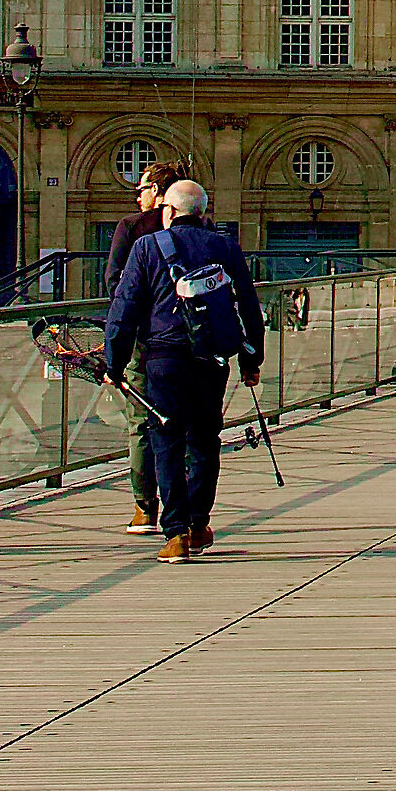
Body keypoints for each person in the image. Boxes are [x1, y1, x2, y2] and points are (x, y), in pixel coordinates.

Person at [102, 176, 266, 560]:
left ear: (169, 211)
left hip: (164, 357)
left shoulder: (146, 248)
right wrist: (251, 360)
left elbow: (123, 310)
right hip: (213, 357)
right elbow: (248, 306)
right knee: (206, 439)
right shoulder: (225, 247)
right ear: (203, 212)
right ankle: (198, 524)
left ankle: (174, 533)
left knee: (166, 440)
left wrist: (114, 361)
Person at [103, 160, 183, 535]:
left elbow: (114, 288)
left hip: (142, 340)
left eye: (142, 188)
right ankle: (186, 511)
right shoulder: (203, 228)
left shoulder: (132, 229)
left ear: (158, 191)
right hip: (188, 340)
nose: (137, 195)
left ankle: (145, 506)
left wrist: (113, 355)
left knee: (141, 421)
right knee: (185, 423)